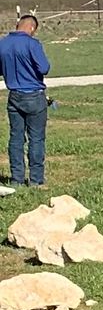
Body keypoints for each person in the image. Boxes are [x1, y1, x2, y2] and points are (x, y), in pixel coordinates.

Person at [1, 10, 52, 190]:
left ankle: (17, 179)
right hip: (33, 95)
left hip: (14, 96)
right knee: (36, 138)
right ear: (31, 27)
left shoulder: (3, 43)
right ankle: (36, 180)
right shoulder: (32, 44)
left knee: (16, 138)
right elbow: (44, 68)